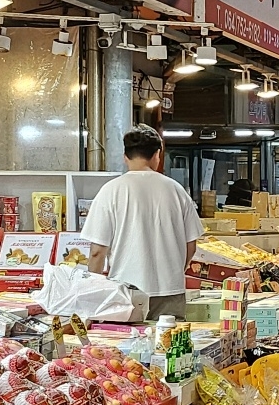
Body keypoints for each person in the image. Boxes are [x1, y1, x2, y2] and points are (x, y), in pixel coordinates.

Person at [82, 125, 204, 320]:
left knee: (124, 347)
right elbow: (191, 245)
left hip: (125, 293)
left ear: (125, 156)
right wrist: (173, 270)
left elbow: (97, 251)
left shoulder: (110, 191)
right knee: (170, 345)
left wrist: (92, 289)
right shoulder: (176, 190)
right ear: (157, 155)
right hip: (170, 291)